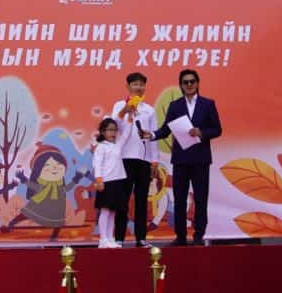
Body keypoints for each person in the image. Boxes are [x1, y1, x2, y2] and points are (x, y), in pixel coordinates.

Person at [143, 69, 222, 245]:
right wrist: (153, 135)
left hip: (200, 160)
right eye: (185, 82)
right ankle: (180, 237)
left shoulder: (208, 104)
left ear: (198, 83)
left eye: (192, 81)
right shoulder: (175, 105)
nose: (189, 85)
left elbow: (217, 129)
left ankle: (199, 236)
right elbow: (165, 129)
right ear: (181, 85)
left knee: (200, 199)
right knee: (179, 200)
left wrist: (201, 132)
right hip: (180, 160)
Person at [111, 71, 159, 247]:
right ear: (128, 86)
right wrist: (126, 109)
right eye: (135, 84)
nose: (138, 87)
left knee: (141, 200)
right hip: (123, 159)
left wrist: (155, 161)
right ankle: (119, 238)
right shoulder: (118, 106)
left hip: (143, 160)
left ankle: (141, 238)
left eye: (141, 84)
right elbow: (113, 125)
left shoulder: (149, 110)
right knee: (122, 200)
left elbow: (153, 137)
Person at [92, 117, 127, 248]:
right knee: (105, 210)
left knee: (113, 211)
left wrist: (129, 116)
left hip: (118, 181)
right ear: (102, 132)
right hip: (106, 182)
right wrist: (99, 180)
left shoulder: (117, 145)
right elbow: (97, 164)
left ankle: (110, 238)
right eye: (110, 130)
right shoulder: (101, 147)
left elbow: (127, 133)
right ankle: (103, 239)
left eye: (115, 130)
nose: (113, 133)